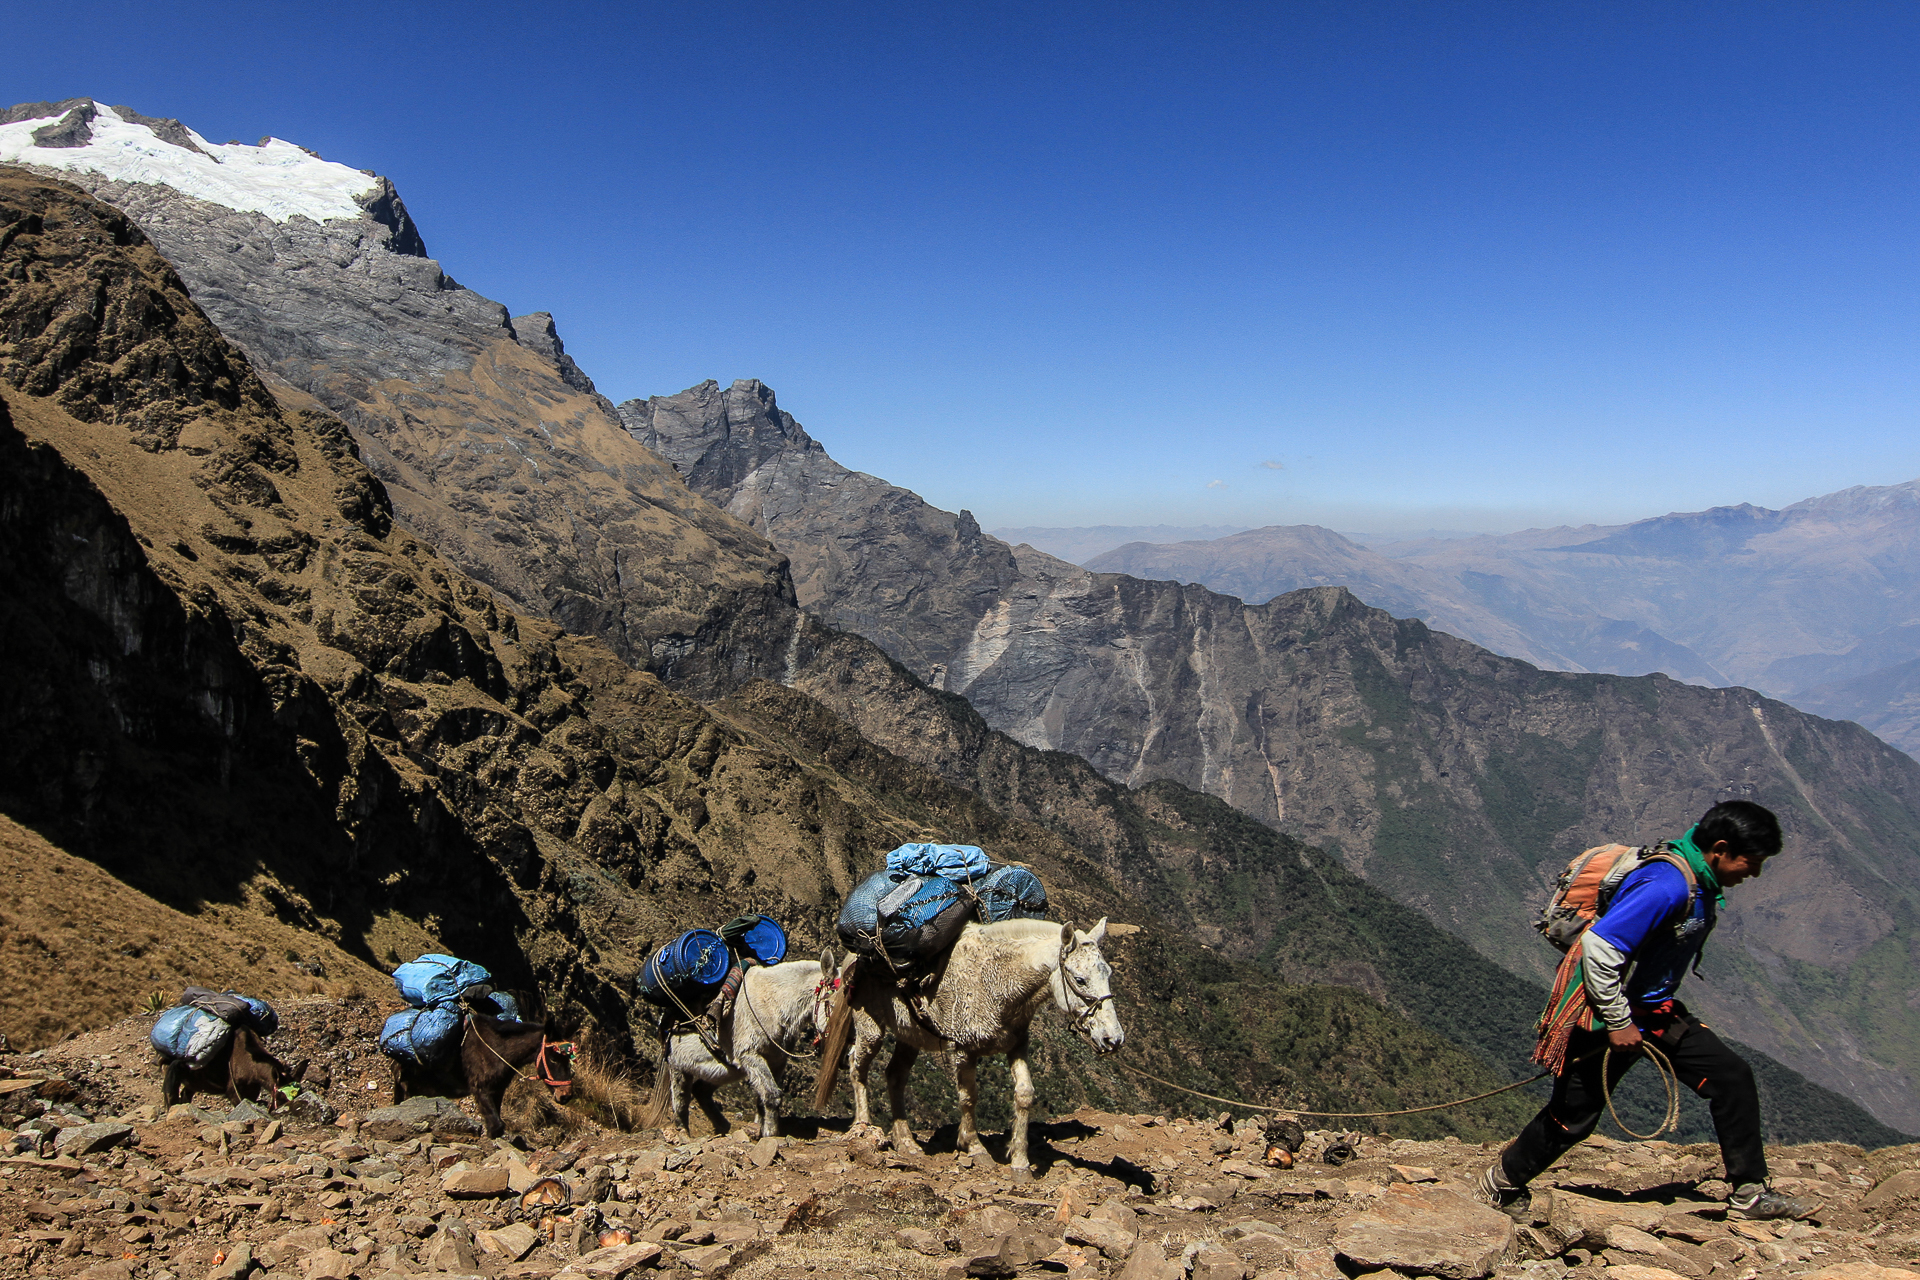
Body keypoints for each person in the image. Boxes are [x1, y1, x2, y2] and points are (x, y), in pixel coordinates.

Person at [1477, 800, 1808, 1221]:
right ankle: (1498, 1186)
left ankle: (1749, 1192)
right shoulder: (1667, 885)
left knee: (1731, 1078)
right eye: (1752, 861)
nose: (1754, 872)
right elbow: (1600, 947)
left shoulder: (1694, 879)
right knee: (1572, 1119)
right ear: (1721, 848)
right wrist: (1617, 1022)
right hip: (1606, 1017)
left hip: (1656, 1012)